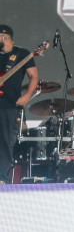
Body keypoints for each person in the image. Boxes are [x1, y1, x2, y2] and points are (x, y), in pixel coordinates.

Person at [0, 25, 39, 183]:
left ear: (5, 37)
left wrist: (27, 96)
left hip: (9, 105)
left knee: (5, 143)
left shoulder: (21, 54)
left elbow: (34, 77)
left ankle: (2, 178)